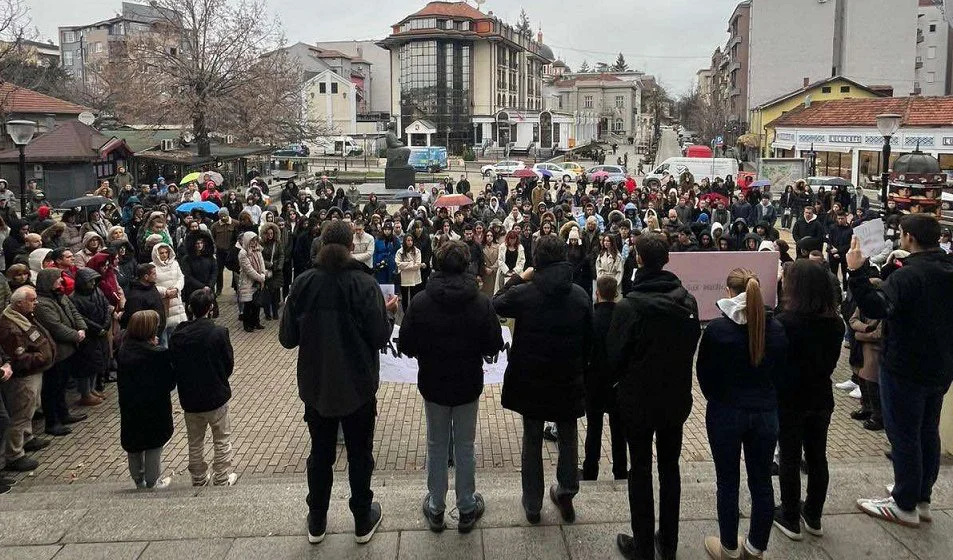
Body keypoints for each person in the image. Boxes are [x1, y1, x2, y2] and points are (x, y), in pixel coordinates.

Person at [279, 220, 398, 545]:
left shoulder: (303, 283)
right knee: (360, 454)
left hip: (316, 387)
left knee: (320, 454)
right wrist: (386, 314)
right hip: (358, 386)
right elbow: (379, 337)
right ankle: (362, 519)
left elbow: (287, 338)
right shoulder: (363, 284)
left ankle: (317, 519)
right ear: (350, 247)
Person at [849, 214, 953, 527]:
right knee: (926, 431)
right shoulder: (948, 270)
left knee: (904, 434)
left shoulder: (908, 276)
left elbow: (874, 307)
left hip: (905, 367)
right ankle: (921, 497)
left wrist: (857, 272)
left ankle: (904, 503)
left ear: (908, 238)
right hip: (940, 367)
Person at [398, 240, 504, 533]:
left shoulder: (421, 301)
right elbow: (494, 343)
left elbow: (405, 343)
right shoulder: (480, 301)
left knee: (436, 444)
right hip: (468, 382)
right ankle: (467, 506)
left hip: (433, 382)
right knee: (465, 446)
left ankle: (436, 506)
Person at [607, 233, 701, 560]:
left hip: (638, 401)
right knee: (669, 468)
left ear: (639, 260)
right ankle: (669, 543)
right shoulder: (687, 302)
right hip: (674, 398)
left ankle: (643, 545)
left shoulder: (629, 306)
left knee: (641, 470)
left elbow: (614, 358)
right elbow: (690, 346)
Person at [492, 235, 592, 525]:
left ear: (537, 261)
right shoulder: (580, 295)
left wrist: (519, 279)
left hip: (530, 380)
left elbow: (496, 302)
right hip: (568, 378)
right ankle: (567, 491)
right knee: (568, 435)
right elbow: (590, 342)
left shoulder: (526, 293)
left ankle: (533, 503)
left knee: (532, 440)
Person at [697, 268, 788, 560]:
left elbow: (704, 375)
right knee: (761, 481)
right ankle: (756, 548)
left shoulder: (718, 330)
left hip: (726, 411)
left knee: (727, 481)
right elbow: (782, 374)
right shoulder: (775, 329)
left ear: (728, 292)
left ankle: (728, 547)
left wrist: (719, 397)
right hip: (765, 413)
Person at [169, 289, 237, 487]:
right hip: (215, 393)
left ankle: (198, 477)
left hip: (190, 396)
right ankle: (222, 476)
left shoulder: (178, 335)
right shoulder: (218, 333)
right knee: (222, 437)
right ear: (210, 308)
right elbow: (228, 363)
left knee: (195, 440)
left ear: (189, 308)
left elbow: (174, 363)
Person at [118, 310, 175, 489]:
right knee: (154, 444)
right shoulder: (158, 354)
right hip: (154, 406)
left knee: (134, 445)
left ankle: (138, 480)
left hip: (130, 405)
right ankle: (153, 481)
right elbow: (170, 382)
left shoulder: (123, 351)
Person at [0, 286, 54, 473]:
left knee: (31, 407)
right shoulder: (10, 327)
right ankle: (14, 454)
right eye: (32, 300)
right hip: (24, 377)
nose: (35, 303)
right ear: (19, 303)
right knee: (20, 413)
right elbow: (17, 357)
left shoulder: (23, 316)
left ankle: (27, 437)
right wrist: (42, 357)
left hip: (35, 373)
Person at [581, 276, 627, 481]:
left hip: (594, 381)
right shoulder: (623, 318)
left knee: (594, 427)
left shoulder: (591, 319)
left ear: (597, 293)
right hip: (617, 381)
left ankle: (591, 469)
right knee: (618, 430)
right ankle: (620, 469)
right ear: (615, 294)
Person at [34, 269, 88, 436]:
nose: (61, 282)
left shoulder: (61, 296)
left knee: (62, 385)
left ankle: (64, 414)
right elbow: (55, 327)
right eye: (57, 280)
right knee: (52, 388)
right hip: (57, 352)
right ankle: (52, 422)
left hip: (69, 349)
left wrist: (82, 328)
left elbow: (74, 313)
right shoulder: (42, 304)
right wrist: (75, 335)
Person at [151, 243, 185, 344]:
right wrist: (165, 291)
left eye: (166, 252)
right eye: (161, 253)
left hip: (176, 300)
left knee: (175, 333)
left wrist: (177, 288)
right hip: (162, 302)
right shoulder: (152, 266)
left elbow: (181, 277)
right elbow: (152, 285)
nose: (164, 255)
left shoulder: (175, 263)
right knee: (163, 334)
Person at [236, 232, 266, 332]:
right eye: (252, 240)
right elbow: (248, 270)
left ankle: (256, 322)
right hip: (248, 282)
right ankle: (247, 324)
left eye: (255, 240)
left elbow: (261, 262)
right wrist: (260, 277)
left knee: (256, 304)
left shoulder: (258, 249)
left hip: (258, 281)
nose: (254, 242)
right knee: (248, 305)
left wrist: (263, 273)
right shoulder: (243, 253)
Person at [395, 233, 423, 313]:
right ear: (405, 241)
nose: (410, 242)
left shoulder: (417, 251)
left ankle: (413, 312)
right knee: (404, 297)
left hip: (414, 277)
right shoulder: (399, 252)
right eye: (408, 240)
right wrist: (411, 263)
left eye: (411, 240)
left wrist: (406, 265)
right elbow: (398, 264)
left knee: (413, 297)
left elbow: (418, 265)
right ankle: (405, 313)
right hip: (404, 278)